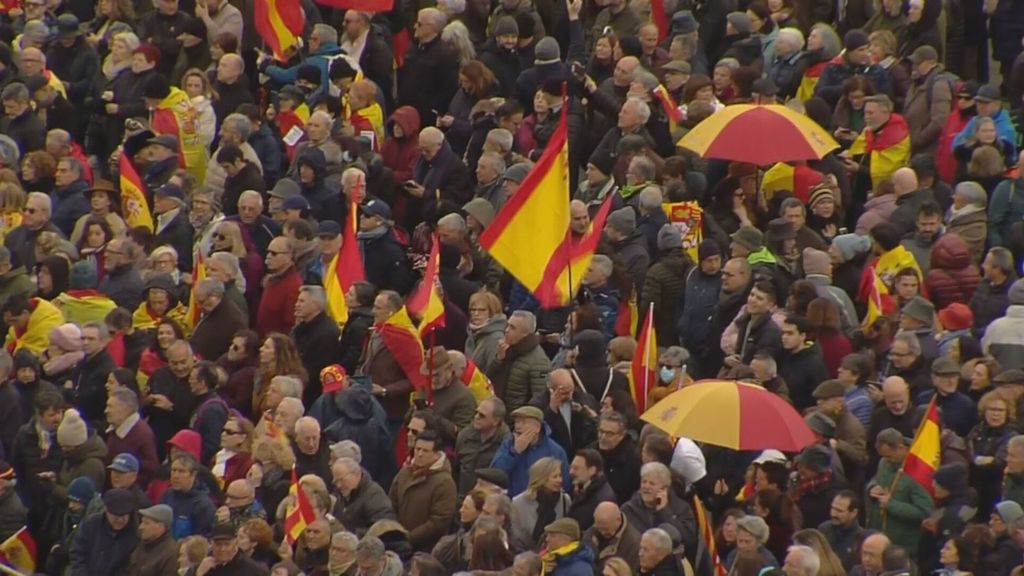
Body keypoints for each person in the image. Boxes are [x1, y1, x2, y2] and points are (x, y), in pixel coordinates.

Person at [865, 428, 934, 555]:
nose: (886, 460)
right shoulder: (884, 462)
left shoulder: (919, 472)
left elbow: (924, 511)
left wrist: (891, 504)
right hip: (879, 537)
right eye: (883, 457)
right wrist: (872, 487)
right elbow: (876, 478)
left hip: (902, 545)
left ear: (901, 447)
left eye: (889, 456)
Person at [388, 429, 457, 552]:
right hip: (398, 543)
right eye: (417, 449)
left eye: (425, 451)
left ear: (436, 454)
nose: (419, 454)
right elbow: (391, 504)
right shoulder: (405, 473)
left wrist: (409, 537)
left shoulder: (445, 483)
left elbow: (439, 522)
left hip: (426, 549)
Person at [491, 405, 571, 496]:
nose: (517, 426)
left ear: (537, 427)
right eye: (516, 422)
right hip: (512, 504)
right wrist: (514, 452)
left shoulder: (555, 451)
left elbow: (564, 485)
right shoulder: (508, 445)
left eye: (523, 422)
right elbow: (494, 474)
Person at [70, 489, 140, 576]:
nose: (120, 520)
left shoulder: (137, 534)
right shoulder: (90, 524)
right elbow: (78, 554)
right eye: (116, 515)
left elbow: (130, 567)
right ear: (106, 510)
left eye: (125, 515)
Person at [126, 504, 179, 576]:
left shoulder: (170, 553)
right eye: (142, 522)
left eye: (146, 523)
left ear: (160, 526)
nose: (141, 527)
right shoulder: (142, 544)